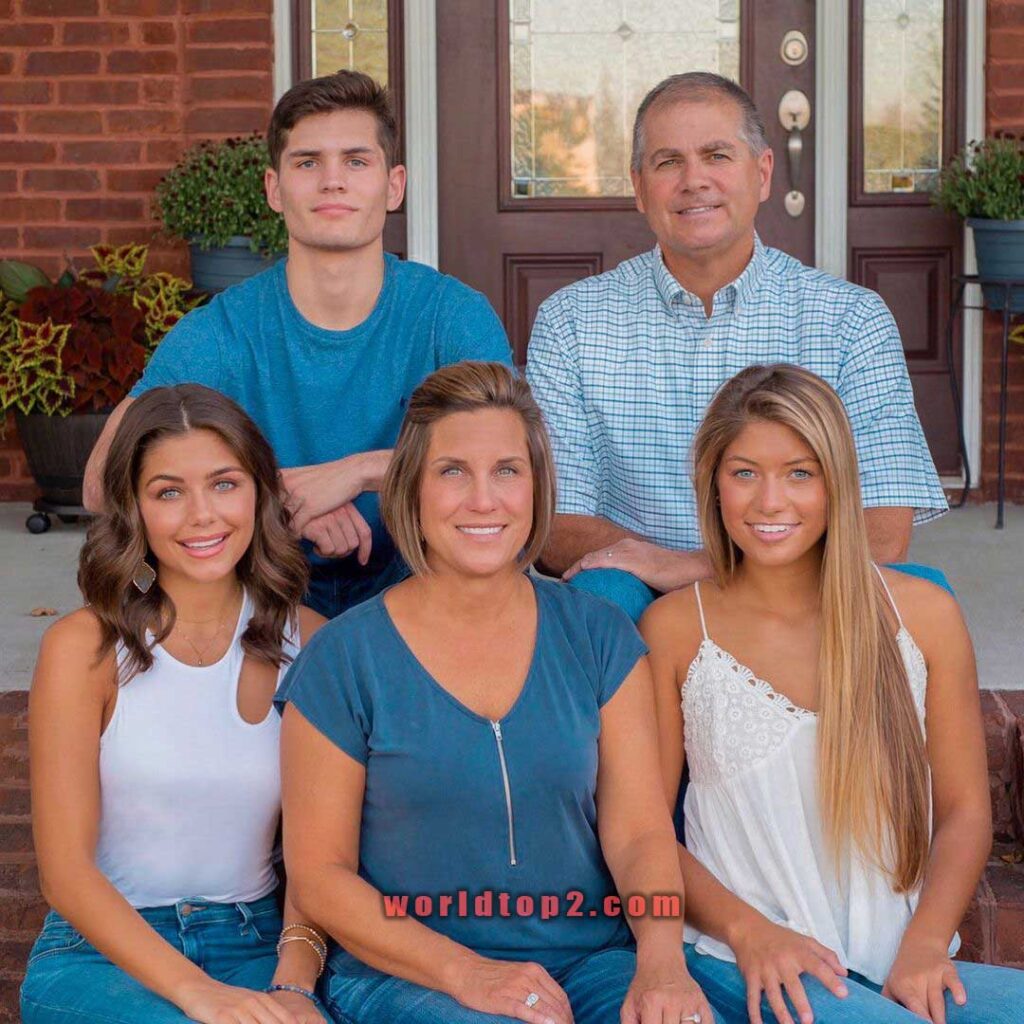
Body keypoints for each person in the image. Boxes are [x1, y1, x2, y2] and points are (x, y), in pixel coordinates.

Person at [275, 361, 715, 1024]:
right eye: (452, 471)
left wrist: (660, 962)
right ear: (412, 491)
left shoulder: (598, 635)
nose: (484, 499)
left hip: (594, 957)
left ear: (537, 488)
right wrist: (468, 973)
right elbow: (320, 878)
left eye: (507, 470)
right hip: (409, 972)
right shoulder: (343, 658)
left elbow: (639, 833)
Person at [640, 364, 1024, 1024]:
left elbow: (964, 810)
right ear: (712, 482)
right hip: (750, 965)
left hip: (902, 963)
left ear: (836, 482)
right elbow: (643, 830)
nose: (769, 502)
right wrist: (747, 931)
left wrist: (928, 944)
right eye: (743, 473)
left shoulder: (923, 616)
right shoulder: (676, 629)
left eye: (799, 472)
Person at [83, 70, 512, 619]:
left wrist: (355, 472)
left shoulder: (449, 316)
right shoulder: (224, 331)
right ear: (274, 189)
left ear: (394, 185)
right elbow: (102, 485)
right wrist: (275, 498)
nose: (333, 181)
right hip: (257, 587)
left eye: (356, 161)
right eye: (308, 162)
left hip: (426, 580)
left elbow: (511, 464)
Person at [525, 72, 947, 618]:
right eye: (668, 161)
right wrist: (661, 571)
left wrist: (699, 568)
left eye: (717, 155)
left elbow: (884, 533)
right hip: (640, 596)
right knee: (602, 597)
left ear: (764, 172)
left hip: (807, 592)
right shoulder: (573, 321)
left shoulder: (850, 320)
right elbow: (557, 526)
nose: (693, 180)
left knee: (917, 595)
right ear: (638, 186)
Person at [22, 384, 329, 1024]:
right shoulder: (84, 647)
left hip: (256, 941)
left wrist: (295, 985)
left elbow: (320, 856)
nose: (201, 515)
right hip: (102, 953)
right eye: (168, 492)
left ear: (259, 492)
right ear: (134, 509)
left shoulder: (313, 640)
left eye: (224, 484)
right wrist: (199, 995)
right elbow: (65, 876)